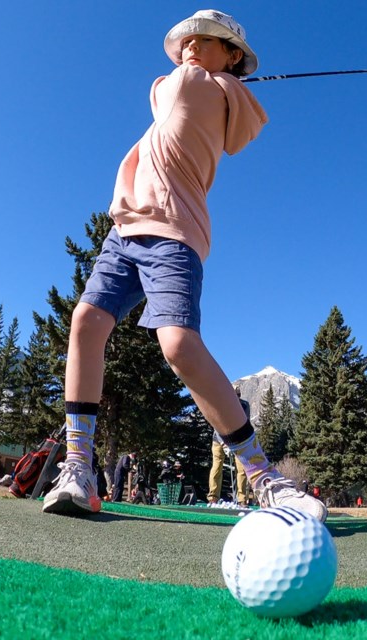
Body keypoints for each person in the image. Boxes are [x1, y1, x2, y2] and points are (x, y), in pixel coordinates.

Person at [41, 9, 326, 522]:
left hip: (172, 231)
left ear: (233, 55)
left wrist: (215, 72)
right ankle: (79, 467)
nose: (192, 44)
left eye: (208, 39)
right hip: (126, 230)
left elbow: (160, 86)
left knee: (177, 344)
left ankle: (265, 477)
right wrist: (226, 70)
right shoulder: (213, 88)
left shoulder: (195, 86)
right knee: (86, 323)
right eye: (189, 38)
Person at [208, 387, 249, 505]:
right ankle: (213, 498)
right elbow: (217, 425)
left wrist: (236, 443)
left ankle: (242, 500)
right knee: (217, 466)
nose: (235, 398)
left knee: (241, 468)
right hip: (218, 439)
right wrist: (224, 444)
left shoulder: (245, 406)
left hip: (237, 440)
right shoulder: (222, 405)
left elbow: (244, 425)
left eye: (237, 396)